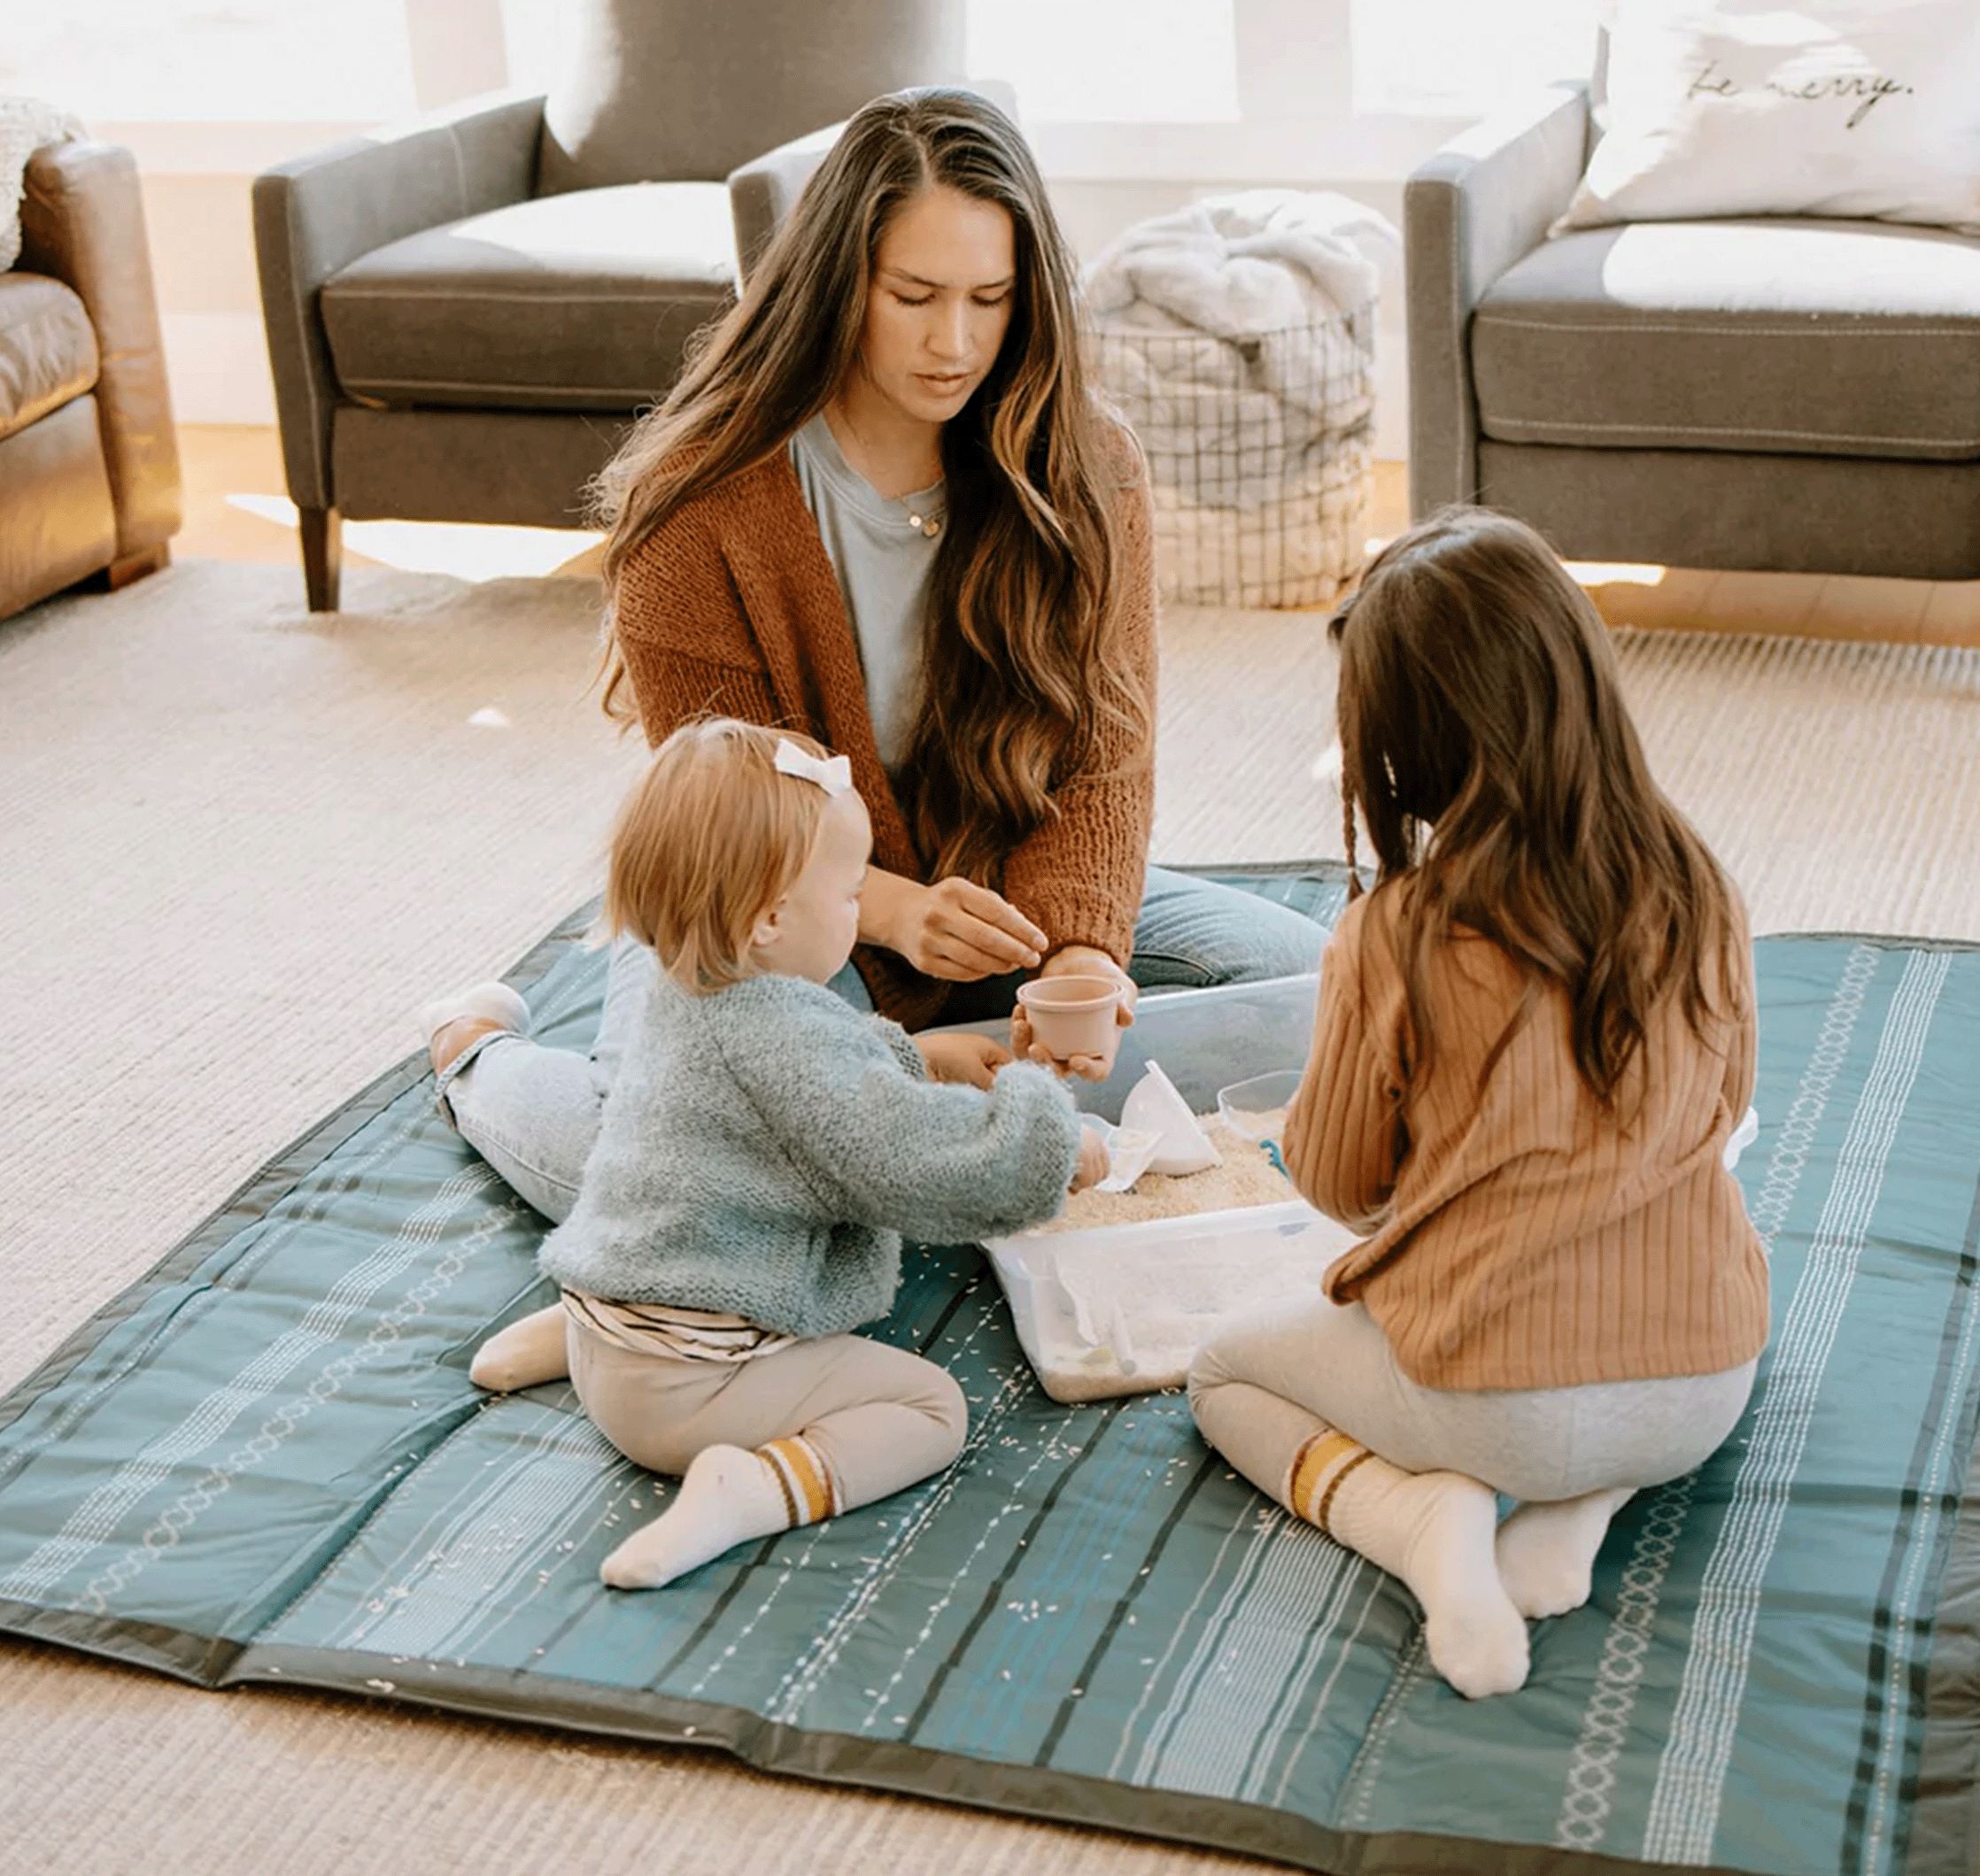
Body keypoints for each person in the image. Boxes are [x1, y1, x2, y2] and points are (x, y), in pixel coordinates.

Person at [421, 86, 1323, 1223]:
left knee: (1329, 1002)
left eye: (990, 298)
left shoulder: (1091, 465)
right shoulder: (694, 502)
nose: (955, 342)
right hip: (772, 903)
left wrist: (1085, 956)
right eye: (915, 296)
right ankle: (475, 1054)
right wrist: (892, 913)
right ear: (841, 283)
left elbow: (1105, 752)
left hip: (1008, 894)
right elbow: (738, 813)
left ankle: (910, 1094)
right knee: (651, 1180)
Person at [1187, 509, 1768, 1700]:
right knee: (1677, 1290)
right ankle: (1587, 1502)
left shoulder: (1396, 931)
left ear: (1405, 741)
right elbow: (1735, 1098)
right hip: (1704, 1387)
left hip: (1492, 1403)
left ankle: (1417, 1527)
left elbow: (1344, 1185)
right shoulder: (1697, 877)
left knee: (1221, 1375)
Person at [472, 717, 1109, 1590]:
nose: (859, 909)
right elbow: (907, 1158)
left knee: (650, 1182)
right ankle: (747, 1490)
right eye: (851, 893)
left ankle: (598, 1333)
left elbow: (784, 1099)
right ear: (772, 916)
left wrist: (919, 1060)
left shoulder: (684, 983)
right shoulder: (784, 1037)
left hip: (608, 1334)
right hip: (688, 1393)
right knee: (929, 1407)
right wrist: (1048, 1137)